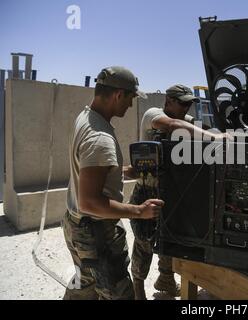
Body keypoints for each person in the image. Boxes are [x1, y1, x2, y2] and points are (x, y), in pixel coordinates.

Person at [63, 66, 164, 300]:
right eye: (130, 99)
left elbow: (91, 173)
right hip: (96, 231)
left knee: (85, 281)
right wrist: (140, 211)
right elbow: (89, 202)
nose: (130, 106)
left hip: (77, 224)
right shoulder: (100, 138)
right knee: (118, 293)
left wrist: (126, 171)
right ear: (118, 95)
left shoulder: (86, 117)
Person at [130, 84, 231, 300]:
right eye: (182, 103)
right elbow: (173, 125)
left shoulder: (186, 123)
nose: (186, 108)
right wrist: (214, 137)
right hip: (147, 190)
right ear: (168, 102)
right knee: (144, 242)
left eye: (189, 104)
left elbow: (198, 130)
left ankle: (166, 279)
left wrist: (220, 134)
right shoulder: (154, 115)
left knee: (171, 237)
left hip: (170, 191)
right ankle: (138, 289)